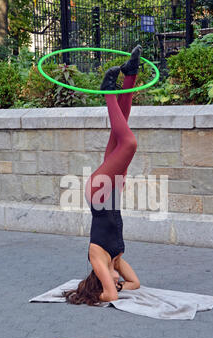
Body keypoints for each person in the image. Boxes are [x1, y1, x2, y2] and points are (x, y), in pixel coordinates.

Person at [64, 46, 142, 306]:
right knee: (120, 136)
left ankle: (108, 89)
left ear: (99, 277)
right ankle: (130, 76)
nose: (117, 275)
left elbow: (111, 295)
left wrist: (107, 285)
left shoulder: (98, 257)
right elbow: (135, 284)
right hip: (115, 192)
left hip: (98, 195)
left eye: (110, 276)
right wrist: (119, 278)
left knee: (129, 143)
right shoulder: (116, 258)